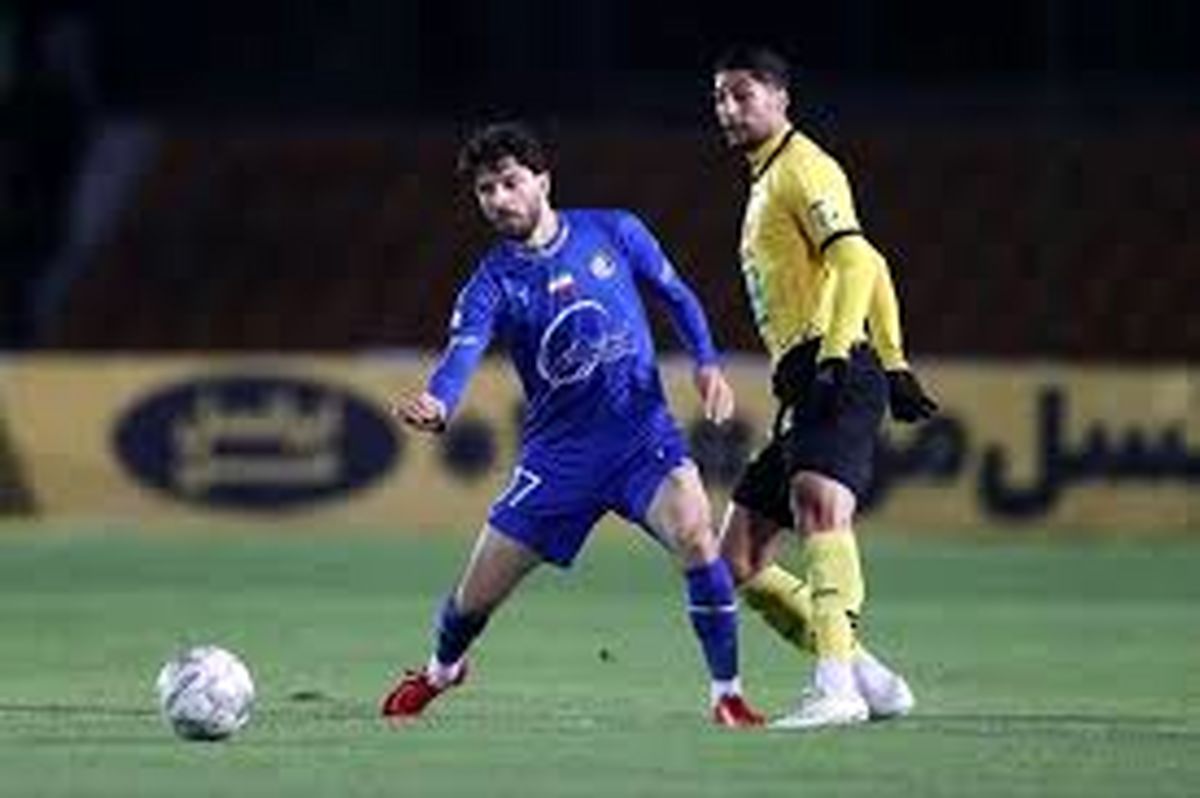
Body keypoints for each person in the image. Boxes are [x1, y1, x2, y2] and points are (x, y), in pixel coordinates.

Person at [380, 122, 764, 728]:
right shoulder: (491, 282)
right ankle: (441, 670)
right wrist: (439, 402)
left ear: (543, 181)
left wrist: (707, 365)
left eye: (510, 182)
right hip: (558, 461)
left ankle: (727, 695)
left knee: (697, 537)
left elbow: (678, 296)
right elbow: (462, 354)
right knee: (472, 601)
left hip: (642, 439)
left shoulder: (614, 232)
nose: (498, 199)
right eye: (485, 190)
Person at [710, 46, 939, 730]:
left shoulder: (804, 167)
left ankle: (835, 687)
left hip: (831, 362)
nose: (728, 108)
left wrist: (844, 356)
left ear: (781, 98)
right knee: (736, 559)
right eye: (719, 97)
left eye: (743, 94)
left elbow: (855, 259)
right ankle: (869, 677)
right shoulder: (768, 179)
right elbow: (872, 259)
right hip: (809, 369)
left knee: (820, 508)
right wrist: (894, 363)